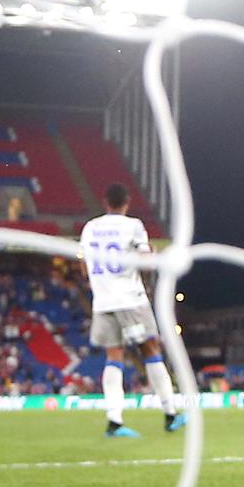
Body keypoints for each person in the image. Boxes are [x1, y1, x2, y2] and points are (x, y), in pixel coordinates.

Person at [78, 183, 186, 438]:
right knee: (150, 349)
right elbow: (146, 264)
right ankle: (171, 414)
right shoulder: (133, 226)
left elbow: (83, 266)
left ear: (105, 202)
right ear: (126, 202)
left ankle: (114, 421)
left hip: (103, 302)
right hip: (130, 299)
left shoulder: (90, 228)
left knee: (113, 357)